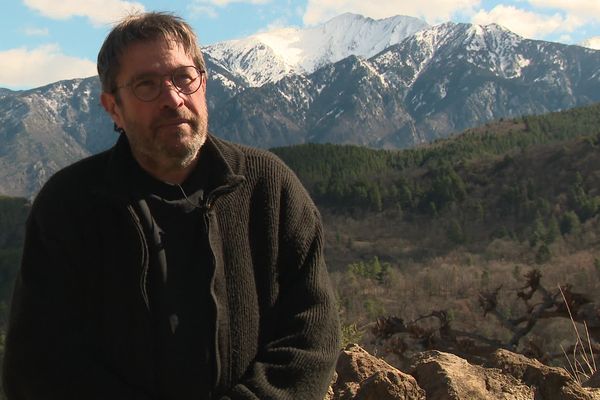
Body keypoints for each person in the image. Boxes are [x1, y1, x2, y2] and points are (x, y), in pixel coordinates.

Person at [2, 11, 339, 400]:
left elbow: (311, 331)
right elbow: (41, 364)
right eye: (147, 85)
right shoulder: (70, 205)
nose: (173, 98)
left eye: (184, 77)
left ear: (204, 84)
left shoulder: (269, 187)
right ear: (113, 107)